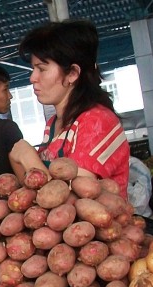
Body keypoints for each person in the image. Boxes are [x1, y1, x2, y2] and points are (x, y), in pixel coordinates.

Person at [8, 20, 130, 199]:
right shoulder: (53, 123)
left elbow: (76, 198)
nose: (33, 78)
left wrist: (28, 157)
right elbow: (37, 195)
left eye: (41, 69)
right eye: (33, 69)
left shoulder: (98, 121)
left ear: (72, 73)